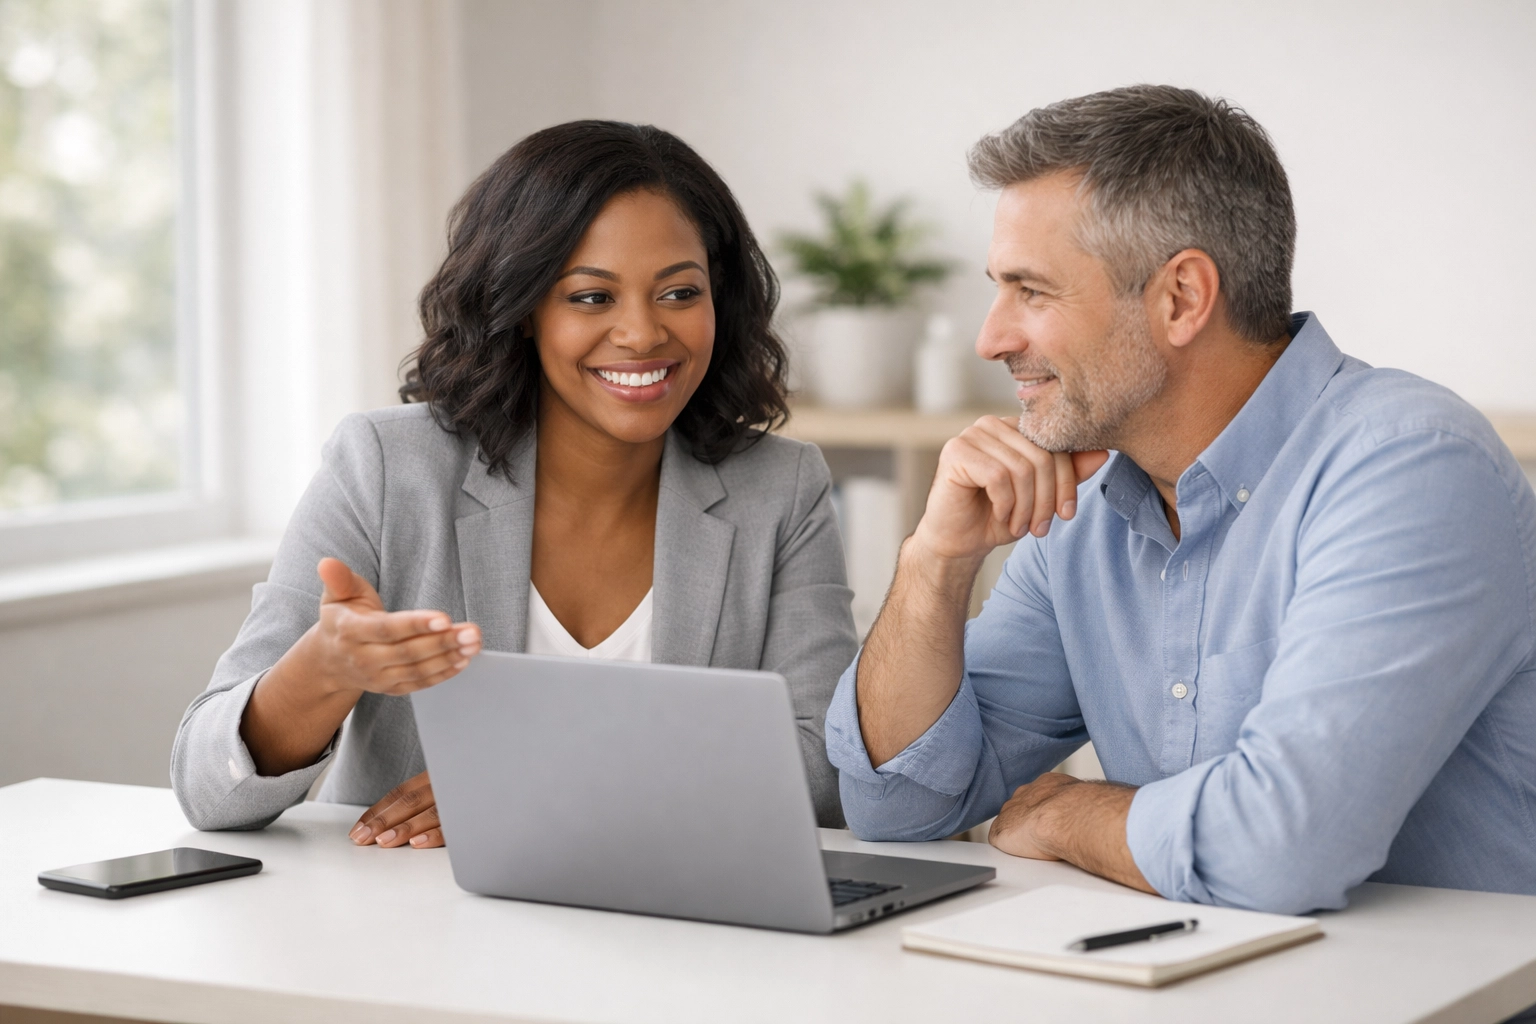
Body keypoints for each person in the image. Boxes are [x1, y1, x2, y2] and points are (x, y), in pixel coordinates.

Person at [826, 86, 1536, 917]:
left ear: (1182, 298)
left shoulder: (1411, 468)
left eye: (1033, 291)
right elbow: (895, 806)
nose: (992, 337)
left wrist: (1068, 811)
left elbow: (1280, 851)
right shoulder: (1086, 508)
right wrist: (934, 562)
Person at [172, 120, 857, 842]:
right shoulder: (384, 467)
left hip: (670, 926)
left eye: (680, 293)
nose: (643, 334)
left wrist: (545, 784)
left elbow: (824, 777)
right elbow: (205, 789)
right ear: (524, 306)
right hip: (412, 922)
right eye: (591, 297)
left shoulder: (781, 489)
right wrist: (323, 669)